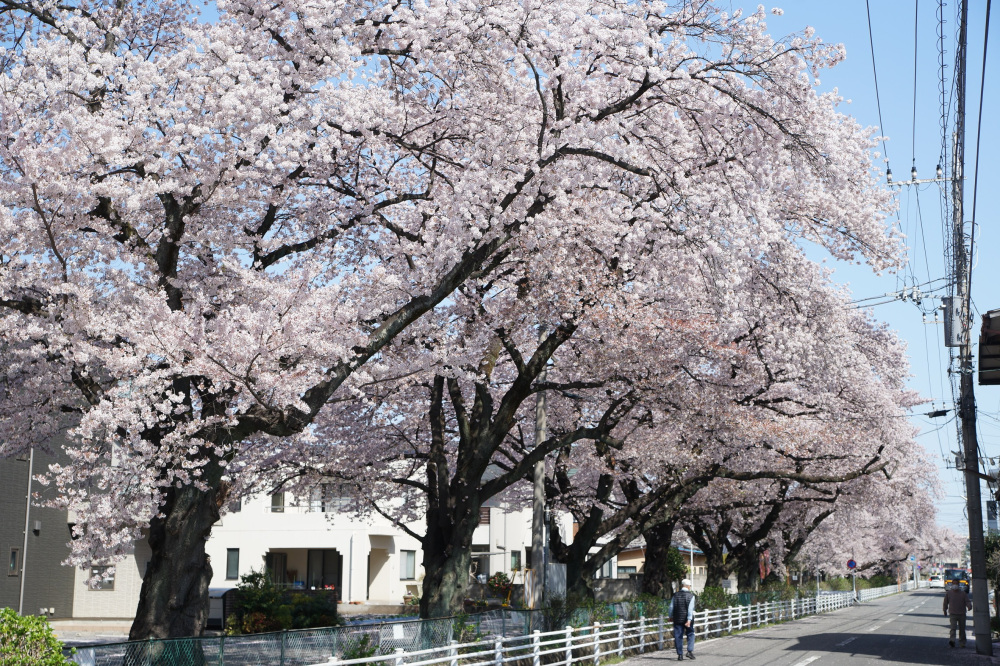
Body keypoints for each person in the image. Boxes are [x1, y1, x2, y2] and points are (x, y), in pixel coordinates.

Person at [668, 579, 697, 661]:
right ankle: (689, 651)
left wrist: (670, 616)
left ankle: (680, 655)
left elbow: (671, 607)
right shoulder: (691, 596)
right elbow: (690, 609)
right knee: (690, 634)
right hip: (688, 619)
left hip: (677, 618)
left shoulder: (675, 595)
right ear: (688, 586)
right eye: (690, 586)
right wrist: (689, 620)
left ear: (682, 586)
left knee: (678, 636)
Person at [943, 581, 973, 648]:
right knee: (953, 628)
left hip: (962, 614)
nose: (955, 585)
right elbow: (945, 602)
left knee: (962, 629)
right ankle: (952, 641)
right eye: (954, 584)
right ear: (952, 584)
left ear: (958, 585)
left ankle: (962, 642)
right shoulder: (949, 593)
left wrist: (969, 606)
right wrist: (945, 610)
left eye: (956, 584)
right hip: (952, 613)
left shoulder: (963, 593)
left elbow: (967, 601)